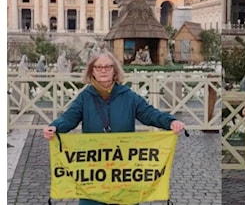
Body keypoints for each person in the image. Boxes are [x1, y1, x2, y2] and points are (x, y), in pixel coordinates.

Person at [42, 51, 185, 205]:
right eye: (98, 67)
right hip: (93, 169)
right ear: (92, 72)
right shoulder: (85, 97)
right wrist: (55, 127)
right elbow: (69, 117)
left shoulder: (128, 96)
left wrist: (170, 122)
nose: (103, 70)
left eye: (108, 67)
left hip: (123, 169)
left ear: (115, 71)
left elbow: (149, 113)